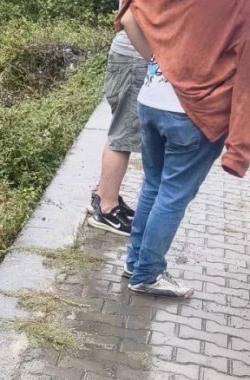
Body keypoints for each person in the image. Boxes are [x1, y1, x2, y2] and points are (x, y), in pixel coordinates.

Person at [117, 0, 248, 298]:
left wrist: (161, 61)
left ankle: (135, 263)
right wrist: (239, 149)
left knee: (153, 184)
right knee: (173, 194)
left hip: (151, 99)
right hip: (196, 113)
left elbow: (127, 18)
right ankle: (147, 274)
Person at [88, 0, 148, 236]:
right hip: (135, 59)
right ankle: (107, 209)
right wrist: (153, 56)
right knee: (122, 138)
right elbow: (129, 18)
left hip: (126, 57)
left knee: (118, 132)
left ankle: (104, 195)